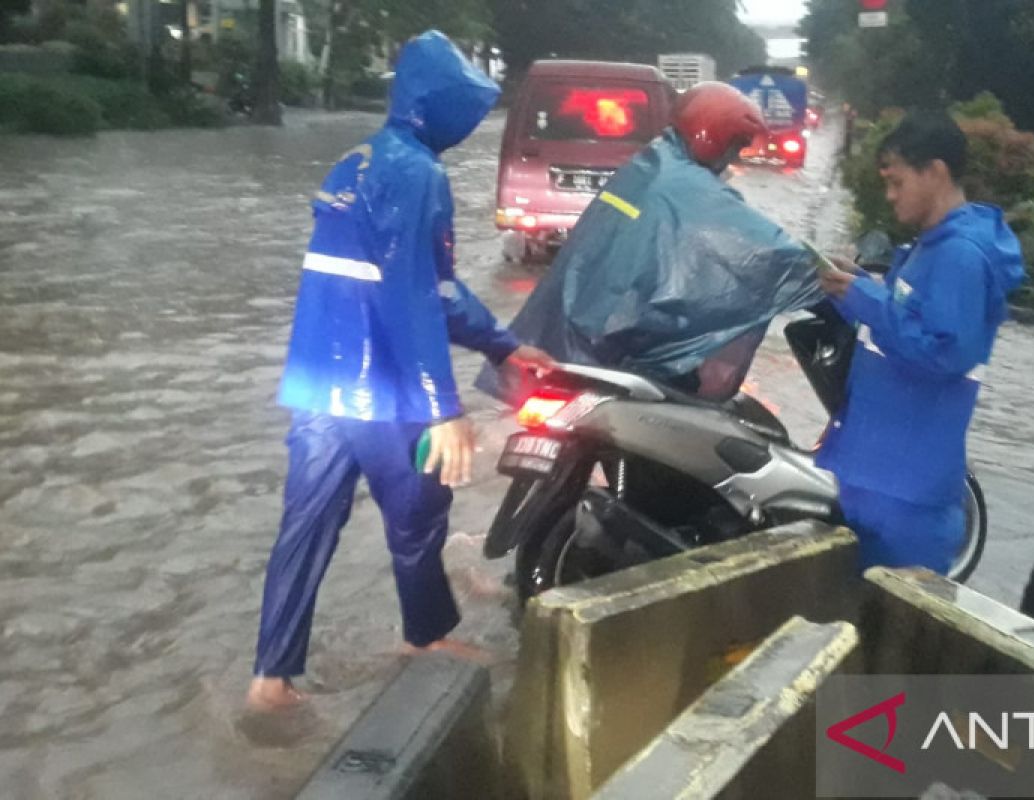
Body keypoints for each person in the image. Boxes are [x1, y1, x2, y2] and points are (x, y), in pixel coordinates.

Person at [248, 30, 554, 710]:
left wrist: (502, 345)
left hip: (317, 385)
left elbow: (418, 285)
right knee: (420, 511)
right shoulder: (418, 172)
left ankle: (270, 680)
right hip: (381, 384)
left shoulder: (352, 162)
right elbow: (419, 293)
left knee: (304, 527)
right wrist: (442, 406)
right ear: (437, 105)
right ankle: (426, 636)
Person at [485, 82, 824, 403]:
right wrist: (826, 279)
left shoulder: (650, 164)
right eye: (735, 144)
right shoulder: (685, 184)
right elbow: (761, 244)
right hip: (620, 345)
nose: (734, 155)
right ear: (714, 136)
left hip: (577, 335)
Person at [817, 110, 1025, 575]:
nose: (890, 196)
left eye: (897, 182)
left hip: (904, 495)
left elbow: (941, 352)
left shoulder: (961, 256)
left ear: (935, 172)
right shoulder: (931, 247)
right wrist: (855, 287)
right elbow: (902, 324)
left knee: (890, 634)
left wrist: (863, 296)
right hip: (879, 478)